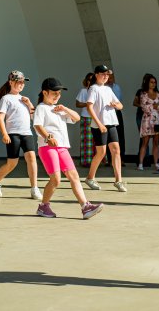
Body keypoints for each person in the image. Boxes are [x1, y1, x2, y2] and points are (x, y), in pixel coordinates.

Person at [33, 77, 103, 219]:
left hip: (62, 147)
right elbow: (38, 126)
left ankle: (85, 207)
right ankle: (43, 206)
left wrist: (64, 108)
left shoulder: (58, 109)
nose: (57, 96)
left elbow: (76, 117)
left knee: (74, 176)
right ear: (44, 92)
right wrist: (48, 137)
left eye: (59, 93)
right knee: (56, 179)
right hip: (47, 147)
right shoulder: (41, 108)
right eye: (54, 93)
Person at [0, 70, 42, 200]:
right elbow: (0, 118)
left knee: (32, 159)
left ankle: (34, 188)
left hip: (27, 133)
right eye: (19, 82)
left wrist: (29, 104)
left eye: (23, 82)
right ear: (11, 82)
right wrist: (4, 133)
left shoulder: (24, 99)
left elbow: (35, 117)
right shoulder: (6, 99)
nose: (21, 84)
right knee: (12, 163)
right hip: (13, 134)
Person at [85, 65, 127, 192]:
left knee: (116, 151)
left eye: (107, 74)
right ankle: (90, 178)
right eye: (103, 74)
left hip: (112, 123)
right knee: (101, 152)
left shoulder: (108, 89)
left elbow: (121, 105)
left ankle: (118, 180)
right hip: (99, 125)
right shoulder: (93, 89)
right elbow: (89, 107)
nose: (106, 76)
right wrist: (99, 124)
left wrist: (116, 105)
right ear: (96, 74)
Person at [137, 74, 159, 171]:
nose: (153, 84)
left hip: (157, 120)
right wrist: (154, 106)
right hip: (147, 120)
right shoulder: (143, 94)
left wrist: (155, 107)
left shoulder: (158, 94)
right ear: (147, 83)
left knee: (156, 142)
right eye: (151, 82)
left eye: (154, 82)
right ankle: (140, 164)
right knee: (145, 142)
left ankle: (156, 163)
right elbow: (144, 108)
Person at [75, 72, 95, 167]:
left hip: (97, 117)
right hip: (86, 117)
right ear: (86, 81)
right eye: (89, 79)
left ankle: (97, 161)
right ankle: (86, 161)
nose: (91, 81)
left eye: (93, 79)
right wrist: (88, 104)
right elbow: (77, 104)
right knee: (87, 140)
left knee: (97, 140)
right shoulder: (83, 91)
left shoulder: (97, 90)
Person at [106, 72, 126, 166]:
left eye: (112, 76)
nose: (110, 78)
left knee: (120, 135)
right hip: (106, 113)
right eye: (108, 76)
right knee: (107, 136)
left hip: (117, 112)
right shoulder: (102, 88)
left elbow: (119, 101)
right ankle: (109, 159)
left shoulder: (117, 87)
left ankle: (121, 158)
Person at [133, 73, 152, 166]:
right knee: (143, 137)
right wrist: (143, 106)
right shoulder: (140, 91)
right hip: (141, 115)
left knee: (148, 138)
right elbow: (134, 102)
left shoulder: (153, 91)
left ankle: (145, 159)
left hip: (151, 116)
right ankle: (143, 159)